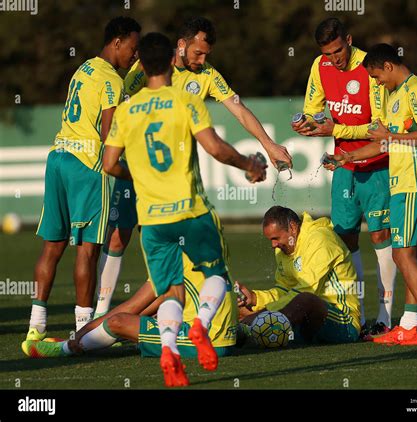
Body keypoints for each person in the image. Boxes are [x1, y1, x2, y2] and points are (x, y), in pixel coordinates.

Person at [94, 16, 292, 319]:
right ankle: (103, 314)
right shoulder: (148, 68)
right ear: (181, 46)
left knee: (166, 261)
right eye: (198, 53)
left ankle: (119, 324)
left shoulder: (208, 75)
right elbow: (117, 104)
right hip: (142, 170)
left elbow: (238, 108)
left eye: (207, 54)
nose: (202, 60)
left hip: (174, 181)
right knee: (120, 236)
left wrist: (268, 144)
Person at [101, 32, 266, 386]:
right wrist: (248, 164)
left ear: (142, 65)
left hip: (154, 220)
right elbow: (216, 149)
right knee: (216, 277)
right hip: (191, 211)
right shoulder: (184, 99)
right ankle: (201, 326)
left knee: (172, 290)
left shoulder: (127, 111)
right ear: (171, 64)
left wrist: (137, 175)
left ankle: (168, 349)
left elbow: (109, 162)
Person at [26, 17, 141, 341]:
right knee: (88, 250)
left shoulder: (84, 69)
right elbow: (108, 137)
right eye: (133, 48)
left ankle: (36, 325)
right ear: (117, 42)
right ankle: (82, 330)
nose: (134, 56)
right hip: (85, 166)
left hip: (58, 157)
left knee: (53, 246)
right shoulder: (112, 80)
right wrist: (135, 173)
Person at [331, 43, 417, 345]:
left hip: (416, 182)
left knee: (401, 254)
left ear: (388, 67)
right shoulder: (393, 96)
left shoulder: (415, 89)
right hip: (403, 183)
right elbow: (385, 144)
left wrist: (391, 136)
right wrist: (348, 158)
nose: (376, 83)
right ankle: (409, 324)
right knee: (413, 256)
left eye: (377, 77)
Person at [291, 18, 397, 339]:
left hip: (376, 164)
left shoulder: (369, 68)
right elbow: (314, 108)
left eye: (339, 51)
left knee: (380, 237)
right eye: (328, 53)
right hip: (343, 168)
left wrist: (335, 129)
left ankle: (386, 316)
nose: (334, 58)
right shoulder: (320, 66)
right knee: (345, 240)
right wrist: (307, 123)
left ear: (348, 40)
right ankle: (358, 315)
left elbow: (378, 127)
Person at [21, 253, 238, 360]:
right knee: (150, 314)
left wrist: (78, 336)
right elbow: (151, 306)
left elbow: (129, 310)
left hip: (207, 341)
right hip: (223, 335)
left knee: (118, 323)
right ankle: (81, 341)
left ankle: (66, 350)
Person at [238, 206, 360, 345]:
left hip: (343, 323)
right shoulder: (283, 249)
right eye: (270, 240)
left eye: (276, 238)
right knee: (238, 307)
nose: (273, 245)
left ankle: (253, 328)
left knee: (306, 300)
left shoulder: (320, 239)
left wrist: (261, 314)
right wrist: (254, 298)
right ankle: (245, 331)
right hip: (304, 319)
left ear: (293, 227)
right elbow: (284, 291)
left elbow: (306, 290)